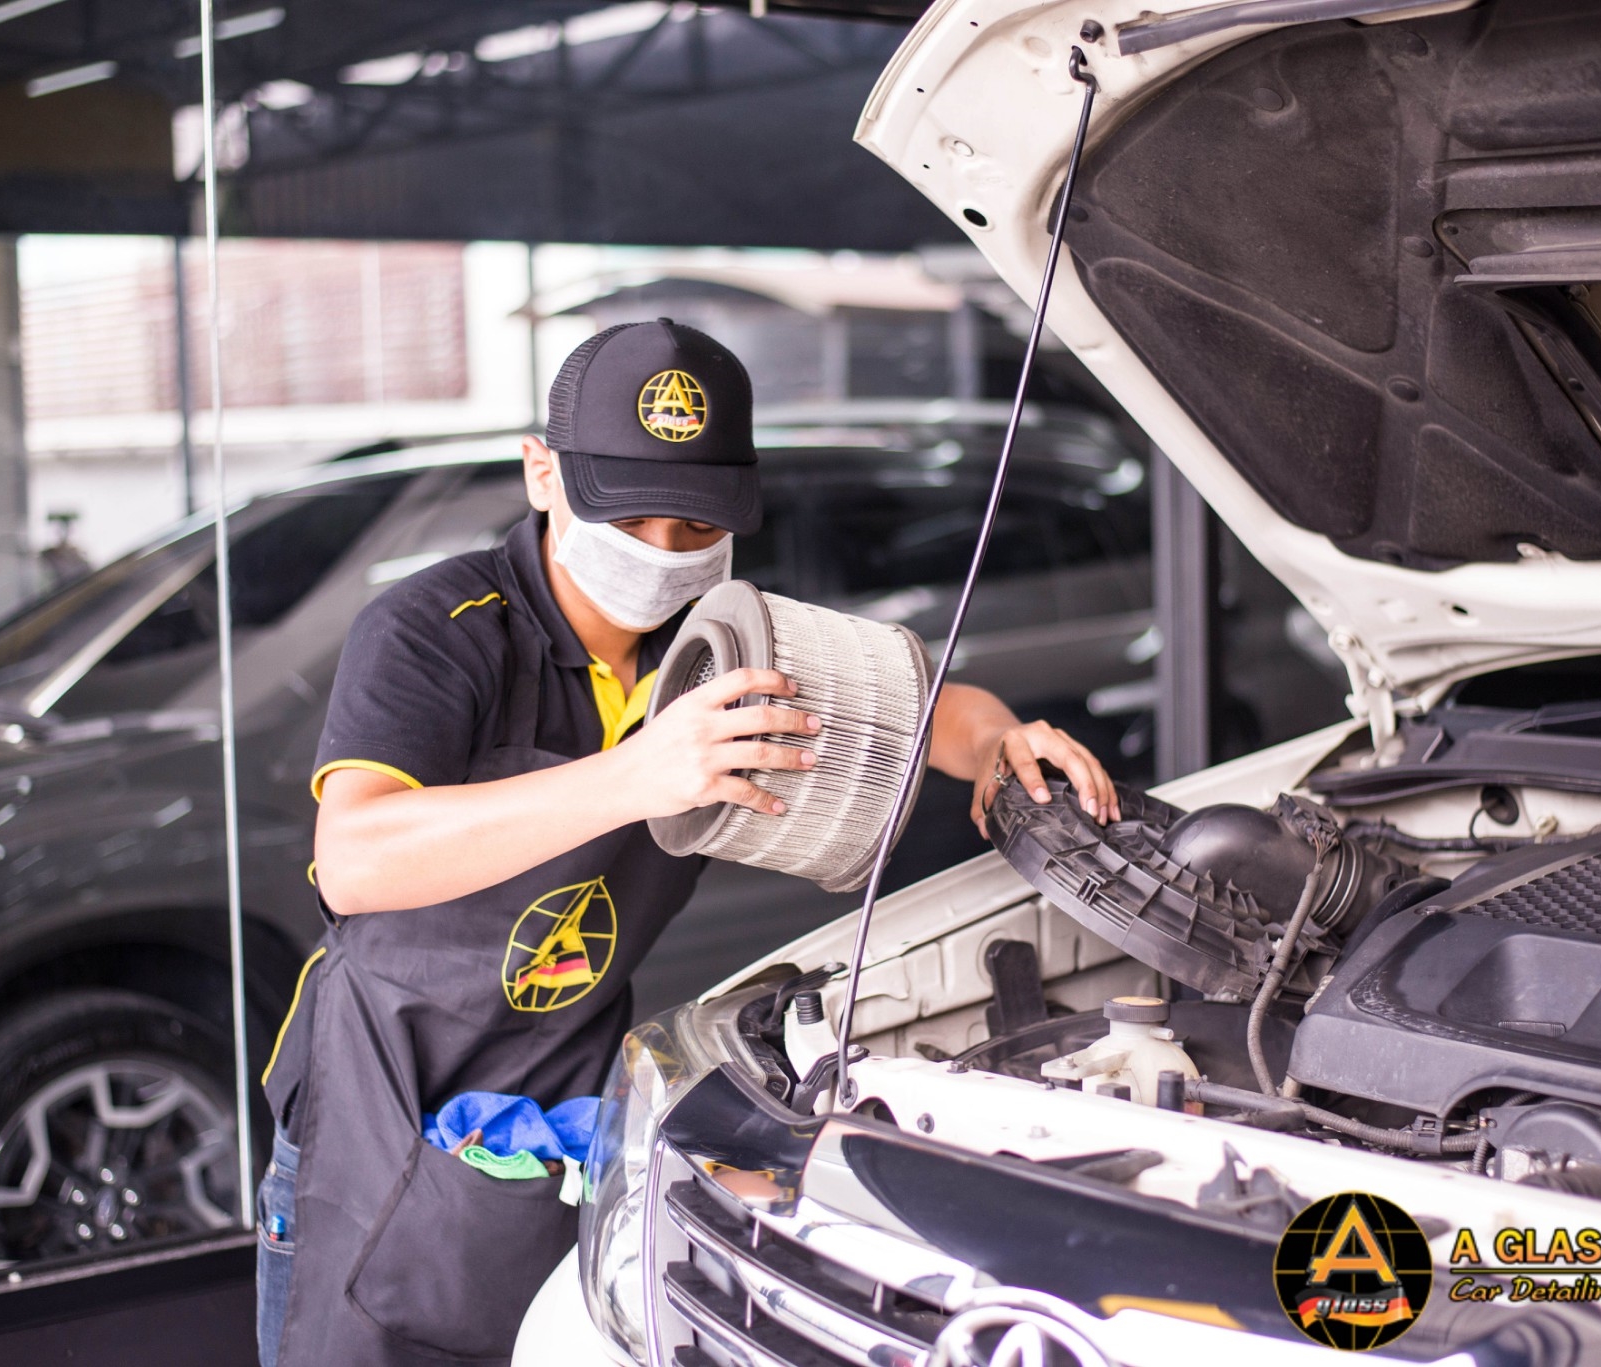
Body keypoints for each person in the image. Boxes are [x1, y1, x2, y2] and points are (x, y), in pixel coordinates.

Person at [256, 320, 1119, 1367]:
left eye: (696, 523)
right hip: (379, 1104)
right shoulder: (436, 629)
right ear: (542, 473)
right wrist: (637, 774)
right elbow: (357, 856)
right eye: (631, 517)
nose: (664, 552)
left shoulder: (721, 642)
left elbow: (930, 706)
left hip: (562, 1120)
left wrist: (997, 742)